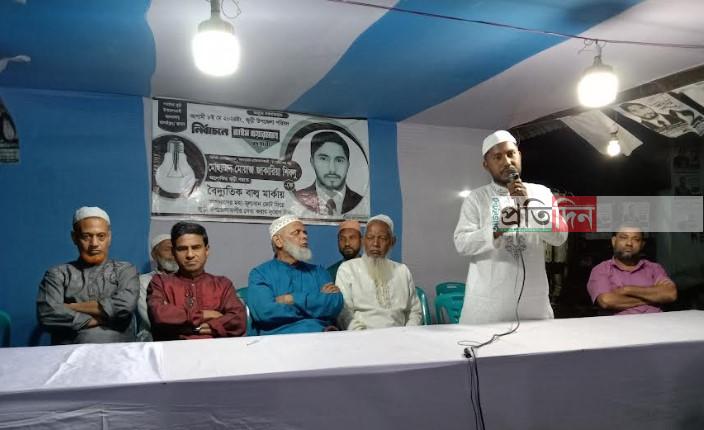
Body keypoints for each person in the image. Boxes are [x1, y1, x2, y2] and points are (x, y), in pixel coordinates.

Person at [454, 130, 568, 324]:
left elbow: (559, 236)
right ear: (486, 165)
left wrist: (529, 205)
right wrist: (496, 230)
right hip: (488, 307)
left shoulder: (541, 193)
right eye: (497, 157)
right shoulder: (477, 198)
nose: (506, 161)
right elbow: (462, 244)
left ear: (519, 155)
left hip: (532, 305)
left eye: (510, 154)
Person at [37, 207, 139, 344]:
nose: (94, 244)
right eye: (86, 236)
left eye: (101, 236)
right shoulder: (57, 274)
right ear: (74, 238)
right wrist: (103, 318)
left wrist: (70, 307)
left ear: (109, 237)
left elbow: (124, 306)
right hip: (69, 353)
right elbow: (47, 313)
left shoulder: (125, 270)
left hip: (120, 351)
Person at [147, 222, 246, 341]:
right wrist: (206, 315)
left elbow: (238, 320)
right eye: (182, 249)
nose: (190, 255)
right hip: (172, 350)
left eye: (196, 247)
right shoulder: (160, 283)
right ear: (174, 252)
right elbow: (159, 315)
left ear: (206, 250)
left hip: (216, 350)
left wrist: (206, 326)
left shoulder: (222, 284)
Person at [247, 215, 343, 335]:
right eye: (296, 233)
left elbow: (334, 303)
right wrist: (315, 302)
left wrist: (290, 299)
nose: (304, 236)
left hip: (321, 337)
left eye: (305, 232)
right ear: (278, 241)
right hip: (279, 340)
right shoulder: (260, 274)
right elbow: (264, 312)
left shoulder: (318, 272)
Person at [335, 214, 422, 330]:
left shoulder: (402, 271)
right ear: (363, 241)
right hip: (360, 337)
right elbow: (344, 313)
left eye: (382, 238)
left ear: (392, 242)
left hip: (400, 336)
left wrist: (408, 332)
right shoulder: (347, 269)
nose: (375, 243)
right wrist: (360, 334)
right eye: (370, 237)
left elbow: (415, 311)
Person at [587, 226, 677, 315]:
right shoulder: (601, 269)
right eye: (624, 238)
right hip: (619, 324)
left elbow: (670, 294)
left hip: (657, 322)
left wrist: (627, 290)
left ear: (642, 244)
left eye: (636, 239)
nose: (629, 243)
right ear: (614, 241)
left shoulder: (654, 268)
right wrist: (654, 296)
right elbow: (606, 301)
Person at [294, 131, 363, 215]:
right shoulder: (296, 200)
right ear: (312, 162)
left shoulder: (361, 202)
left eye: (339, 160)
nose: (332, 169)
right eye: (323, 159)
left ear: (348, 165)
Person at [136, 234, 178, 341]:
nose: (173, 254)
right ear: (154, 255)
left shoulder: (188, 280)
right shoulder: (143, 281)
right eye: (167, 249)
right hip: (153, 339)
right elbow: (151, 318)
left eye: (176, 249)